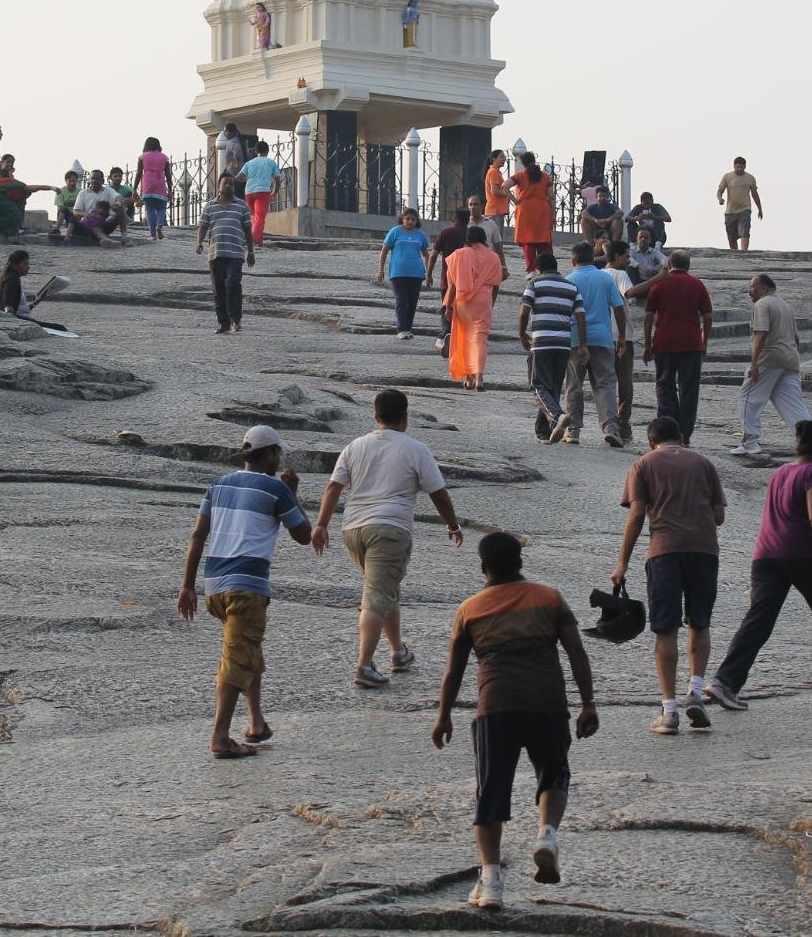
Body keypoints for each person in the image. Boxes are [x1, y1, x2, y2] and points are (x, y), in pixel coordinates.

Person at [431, 532, 598, 912]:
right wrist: (588, 703)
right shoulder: (550, 597)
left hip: (497, 707)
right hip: (548, 704)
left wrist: (443, 716)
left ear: (483, 567)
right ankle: (546, 835)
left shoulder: (470, 609)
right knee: (554, 774)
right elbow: (576, 652)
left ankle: (490, 882)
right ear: (520, 561)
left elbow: (453, 673)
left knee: (491, 791)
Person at [311, 389, 465, 688]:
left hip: (353, 531)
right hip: (389, 530)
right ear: (406, 418)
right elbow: (438, 493)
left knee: (384, 589)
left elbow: (333, 487)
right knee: (376, 596)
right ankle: (364, 666)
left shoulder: (355, 446)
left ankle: (398, 652)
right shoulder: (415, 449)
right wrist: (453, 525)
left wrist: (321, 525)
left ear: (375, 417)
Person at [705, 419, 812, 710]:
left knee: (758, 622)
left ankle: (725, 682)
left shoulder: (780, 472)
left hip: (765, 555)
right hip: (800, 554)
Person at [178, 425, 312, 758]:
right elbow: (304, 535)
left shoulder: (218, 485)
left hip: (214, 587)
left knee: (246, 649)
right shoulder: (275, 489)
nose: (279, 459)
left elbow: (198, 536)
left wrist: (187, 585)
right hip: (247, 587)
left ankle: (256, 722)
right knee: (237, 658)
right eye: (277, 453)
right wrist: (292, 493)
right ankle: (220, 738)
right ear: (268, 454)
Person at [610, 417, 726, 734]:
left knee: (666, 629)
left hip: (664, 552)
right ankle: (696, 692)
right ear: (681, 437)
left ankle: (670, 710)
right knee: (699, 622)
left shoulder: (643, 464)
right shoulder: (704, 463)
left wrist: (622, 562)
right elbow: (719, 516)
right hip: (704, 551)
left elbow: (636, 513)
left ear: (651, 442)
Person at [629, 249, 712, 445]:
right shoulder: (697, 284)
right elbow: (707, 316)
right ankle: (684, 435)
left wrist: (648, 345)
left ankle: (668, 432)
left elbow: (649, 316)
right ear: (688, 265)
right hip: (691, 344)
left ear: (669, 264)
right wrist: (704, 341)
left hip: (664, 343)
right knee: (689, 390)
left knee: (665, 386)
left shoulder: (659, 284)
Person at [729, 274, 811, 456]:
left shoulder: (762, 304)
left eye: (753, 287)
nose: (750, 290)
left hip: (770, 358)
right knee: (793, 405)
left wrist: (754, 363)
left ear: (765, 288)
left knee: (747, 399)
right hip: (790, 359)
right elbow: (796, 338)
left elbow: (761, 334)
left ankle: (750, 442)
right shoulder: (785, 305)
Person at [556, 242, 626, 448]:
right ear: (593, 258)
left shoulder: (568, 281)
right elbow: (619, 308)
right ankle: (611, 428)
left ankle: (573, 430)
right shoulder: (605, 278)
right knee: (605, 384)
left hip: (576, 340)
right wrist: (621, 335)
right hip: (603, 339)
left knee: (573, 385)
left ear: (573, 260)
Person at [517, 252, 586, 443]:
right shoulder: (572, 287)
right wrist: (582, 344)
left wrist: (522, 334)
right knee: (553, 386)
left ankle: (557, 416)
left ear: (538, 269)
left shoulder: (535, 284)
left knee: (537, 384)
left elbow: (524, 312)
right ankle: (544, 431)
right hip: (564, 344)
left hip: (542, 342)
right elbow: (580, 316)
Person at [444, 226, 504, 390]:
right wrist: (491, 303)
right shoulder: (493, 257)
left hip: (463, 301)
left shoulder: (459, 254)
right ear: (484, 238)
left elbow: (453, 284)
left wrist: (448, 306)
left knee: (464, 338)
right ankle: (479, 378)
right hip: (483, 299)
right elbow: (496, 284)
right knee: (480, 339)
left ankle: (467, 378)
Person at [195, 175, 255, 333]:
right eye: (225, 183)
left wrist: (251, 251)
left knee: (233, 284)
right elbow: (203, 226)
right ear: (219, 186)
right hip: (216, 253)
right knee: (218, 289)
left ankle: (236, 320)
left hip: (235, 253)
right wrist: (199, 243)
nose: (228, 186)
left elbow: (248, 229)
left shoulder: (241, 206)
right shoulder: (209, 206)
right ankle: (223, 323)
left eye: (231, 184)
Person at [603, 240, 642, 439]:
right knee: (625, 384)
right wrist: (659, 279)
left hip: (601, 337)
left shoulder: (599, 274)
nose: (628, 260)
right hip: (621, 336)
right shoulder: (620, 274)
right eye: (626, 256)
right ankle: (622, 424)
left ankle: (609, 423)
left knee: (605, 382)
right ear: (617, 256)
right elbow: (630, 292)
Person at [377, 208, 431, 339]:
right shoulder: (395, 231)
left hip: (416, 273)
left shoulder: (420, 234)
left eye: (413, 219)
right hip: (398, 272)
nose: (410, 222)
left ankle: (408, 329)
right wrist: (380, 270)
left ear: (416, 221)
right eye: (408, 219)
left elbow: (427, 255)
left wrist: (428, 272)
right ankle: (401, 329)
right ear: (402, 219)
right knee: (402, 300)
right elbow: (384, 250)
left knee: (412, 302)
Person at [0, 158, 54, 240]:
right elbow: (34, 187)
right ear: (1, 162)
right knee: (13, 213)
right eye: (8, 162)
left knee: (6, 213)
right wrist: (51, 188)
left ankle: (3, 232)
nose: (10, 164)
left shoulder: (7, 177)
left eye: (12, 163)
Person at [507, 152, 555, 275]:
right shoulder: (545, 176)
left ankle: (531, 270)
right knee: (544, 240)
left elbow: (504, 186)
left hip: (525, 210)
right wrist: (552, 213)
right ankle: (547, 268)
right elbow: (551, 196)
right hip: (542, 210)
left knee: (528, 242)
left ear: (523, 163)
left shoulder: (520, 175)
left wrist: (514, 199)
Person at [239, 141, 281, 245]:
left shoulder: (249, 163)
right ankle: (255, 240)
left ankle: (259, 240)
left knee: (255, 217)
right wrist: (274, 192)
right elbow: (277, 180)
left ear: (256, 151)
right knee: (259, 218)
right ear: (267, 151)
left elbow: (239, 177)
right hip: (263, 193)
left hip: (249, 193)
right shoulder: (271, 162)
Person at [717, 157, 762, 252]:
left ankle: (743, 252)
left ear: (745, 167)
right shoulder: (727, 177)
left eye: (741, 167)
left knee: (744, 231)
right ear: (734, 166)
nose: (739, 169)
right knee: (731, 237)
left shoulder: (750, 178)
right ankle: (735, 254)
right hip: (730, 211)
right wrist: (720, 199)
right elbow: (720, 190)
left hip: (745, 209)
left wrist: (760, 209)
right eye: (737, 167)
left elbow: (755, 194)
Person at [465, 193, 508, 273]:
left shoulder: (491, 224)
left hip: (487, 265)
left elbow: (498, 247)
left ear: (482, 206)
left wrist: (503, 266)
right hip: (468, 264)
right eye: (470, 204)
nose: (472, 207)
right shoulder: (464, 224)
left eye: (475, 204)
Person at [137, 137, 171, 240]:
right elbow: (168, 175)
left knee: (149, 209)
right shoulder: (164, 158)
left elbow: (138, 174)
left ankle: (152, 235)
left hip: (147, 183)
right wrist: (170, 189)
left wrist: (134, 189)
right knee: (161, 208)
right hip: (160, 183)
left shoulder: (142, 157)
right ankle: (159, 226)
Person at [483, 149, 510, 234]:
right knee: (496, 240)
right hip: (495, 211)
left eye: (504, 157)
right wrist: (507, 193)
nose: (504, 159)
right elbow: (494, 191)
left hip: (497, 211)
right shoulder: (493, 172)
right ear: (494, 159)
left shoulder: (495, 172)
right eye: (501, 157)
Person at [220, 123, 250, 197]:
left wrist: (236, 164)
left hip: (235, 178)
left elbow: (238, 152)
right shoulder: (240, 141)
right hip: (243, 178)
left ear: (231, 132)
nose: (224, 134)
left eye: (225, 131)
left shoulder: (232, 142)